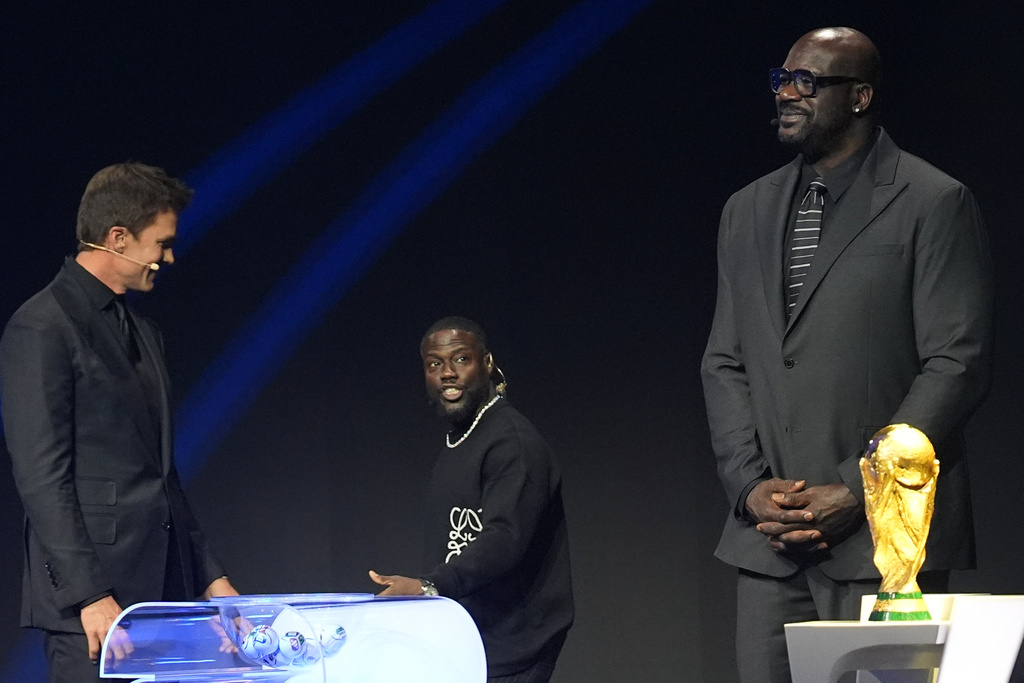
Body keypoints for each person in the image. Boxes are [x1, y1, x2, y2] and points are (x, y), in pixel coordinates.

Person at [700, 27, 993, 683]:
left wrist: (861, 486)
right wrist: (749, 487)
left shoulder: (932, 200)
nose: (786, 94)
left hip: (883, 541)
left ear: (860, 96)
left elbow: (957, 364)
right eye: (781, 79)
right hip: (770, 545)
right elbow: (724, 360)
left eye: (806, 81)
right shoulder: (745, 210)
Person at [0, 163, 240, 683]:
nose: (169, 258)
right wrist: (90, 594)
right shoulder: (41, 327)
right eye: (162, 244)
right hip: (95, 607)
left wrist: (211, 578)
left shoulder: (144, 332)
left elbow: (162, 475)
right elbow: (42, 478)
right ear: (118, 239)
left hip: (164, 594)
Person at [370, 316, 573, 683]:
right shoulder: (464, 438)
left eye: (461, 359)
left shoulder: (511, 441)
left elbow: (504, 538)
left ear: (488, 363)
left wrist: (429, 586)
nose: (447, 373)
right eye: (435, 364)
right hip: (471, 643)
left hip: (514, 650)